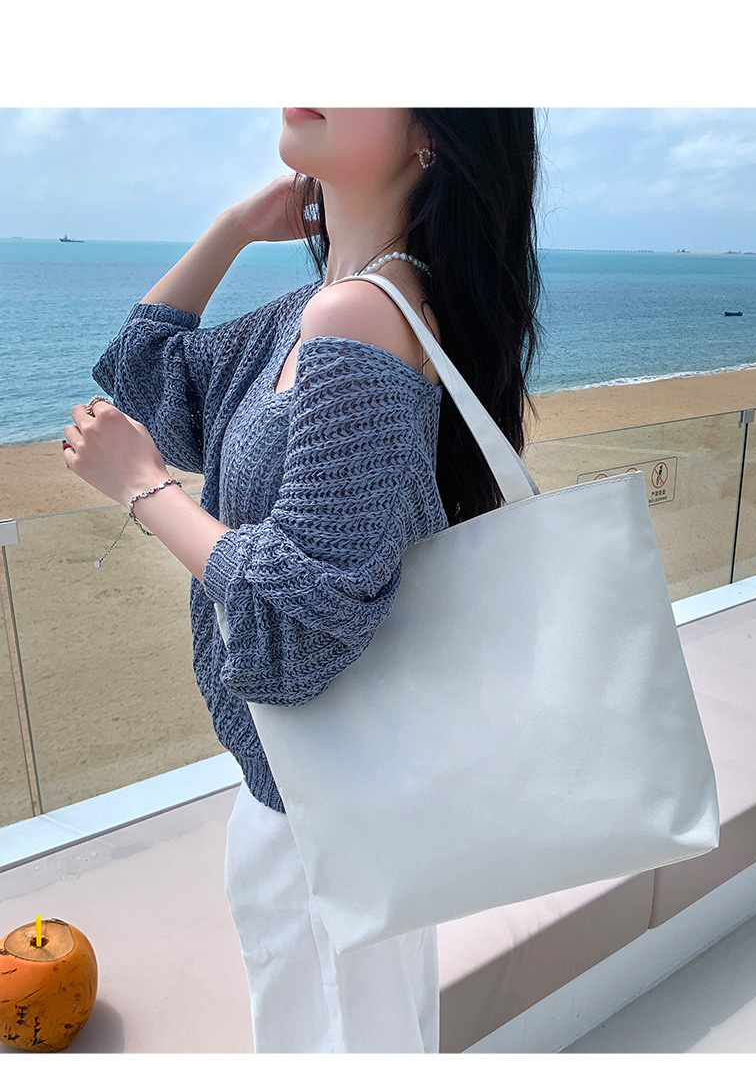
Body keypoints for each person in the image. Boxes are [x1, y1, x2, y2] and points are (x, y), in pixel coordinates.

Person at [65, 108, 546, 1052]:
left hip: (326, 808)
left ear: (434, 131)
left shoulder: (356, 316)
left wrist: (146, 490)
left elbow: (301, 621)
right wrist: (236, 228)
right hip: (335, 786)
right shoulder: (330, 305)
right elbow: (150, 378)